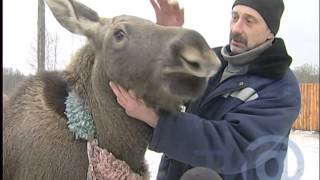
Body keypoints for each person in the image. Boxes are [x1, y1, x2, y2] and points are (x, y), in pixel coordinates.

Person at [109, 0, 301, 179]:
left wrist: (158, 119)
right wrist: (168, 39)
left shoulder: (280, 86)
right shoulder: (213, 63)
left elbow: (233, 148)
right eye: (235, 17)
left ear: (270, 32)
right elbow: (172, 83)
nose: (236, 28)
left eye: (249, 21)